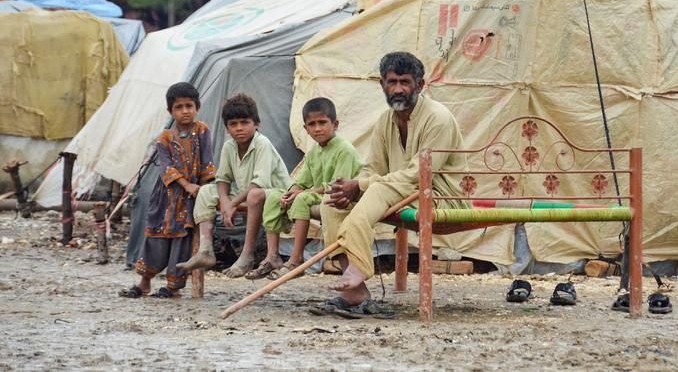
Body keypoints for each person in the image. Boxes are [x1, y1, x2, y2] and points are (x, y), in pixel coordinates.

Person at [316, 52, 469, 316]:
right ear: (382, 85)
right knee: (331, 204)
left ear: (419, 86)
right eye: (392, 82)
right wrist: (352, 186)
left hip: (442, 195)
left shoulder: (438, 118)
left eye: (405, 82)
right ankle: (355, 291)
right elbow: (373, 168)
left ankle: (361, 266)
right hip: (400, 192)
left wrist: (363, 185)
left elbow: (417, 175)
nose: (398, 89)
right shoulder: (385, 120)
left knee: (376, 187)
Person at [177, 93, 291, 278]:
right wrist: (224, 201)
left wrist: (231, 204)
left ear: (257, 124)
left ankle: (247, 255)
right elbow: (223, 178)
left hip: (274, 193)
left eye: (244, 122)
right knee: (206, 191)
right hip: (246, 193)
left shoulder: (262, 143)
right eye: (233, 124)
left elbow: (258, 183)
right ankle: (205, 250)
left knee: (254, 194)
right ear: (227, 128)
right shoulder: (229, 146)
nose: (239, 128)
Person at [119, 82, 216, 298]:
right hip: (166, 197)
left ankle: (173, 287)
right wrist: (187, 185)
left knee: (182, 239)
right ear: (170, 111)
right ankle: (144, 282)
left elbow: (208, 162)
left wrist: (204, 189)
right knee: (156, 236)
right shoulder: (164, 137)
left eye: (189, 106)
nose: (185, 111)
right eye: (179, 107)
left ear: (197, 106)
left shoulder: (202, 130)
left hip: (192, 197)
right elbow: (167, 168)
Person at [256, 97, 362, 280]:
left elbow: (338, 187)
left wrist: (302, 193)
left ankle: (296, 259)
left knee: (302, 199)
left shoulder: (344, 150)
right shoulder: (314, 151)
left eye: (322, 123)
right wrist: (291, 192)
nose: (317, 128)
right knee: (274, 196)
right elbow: (302, 181)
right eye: (312, 124)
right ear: (306, 129)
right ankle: (272, 256)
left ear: (335, 124)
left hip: (339, 198)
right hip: (316, 194)